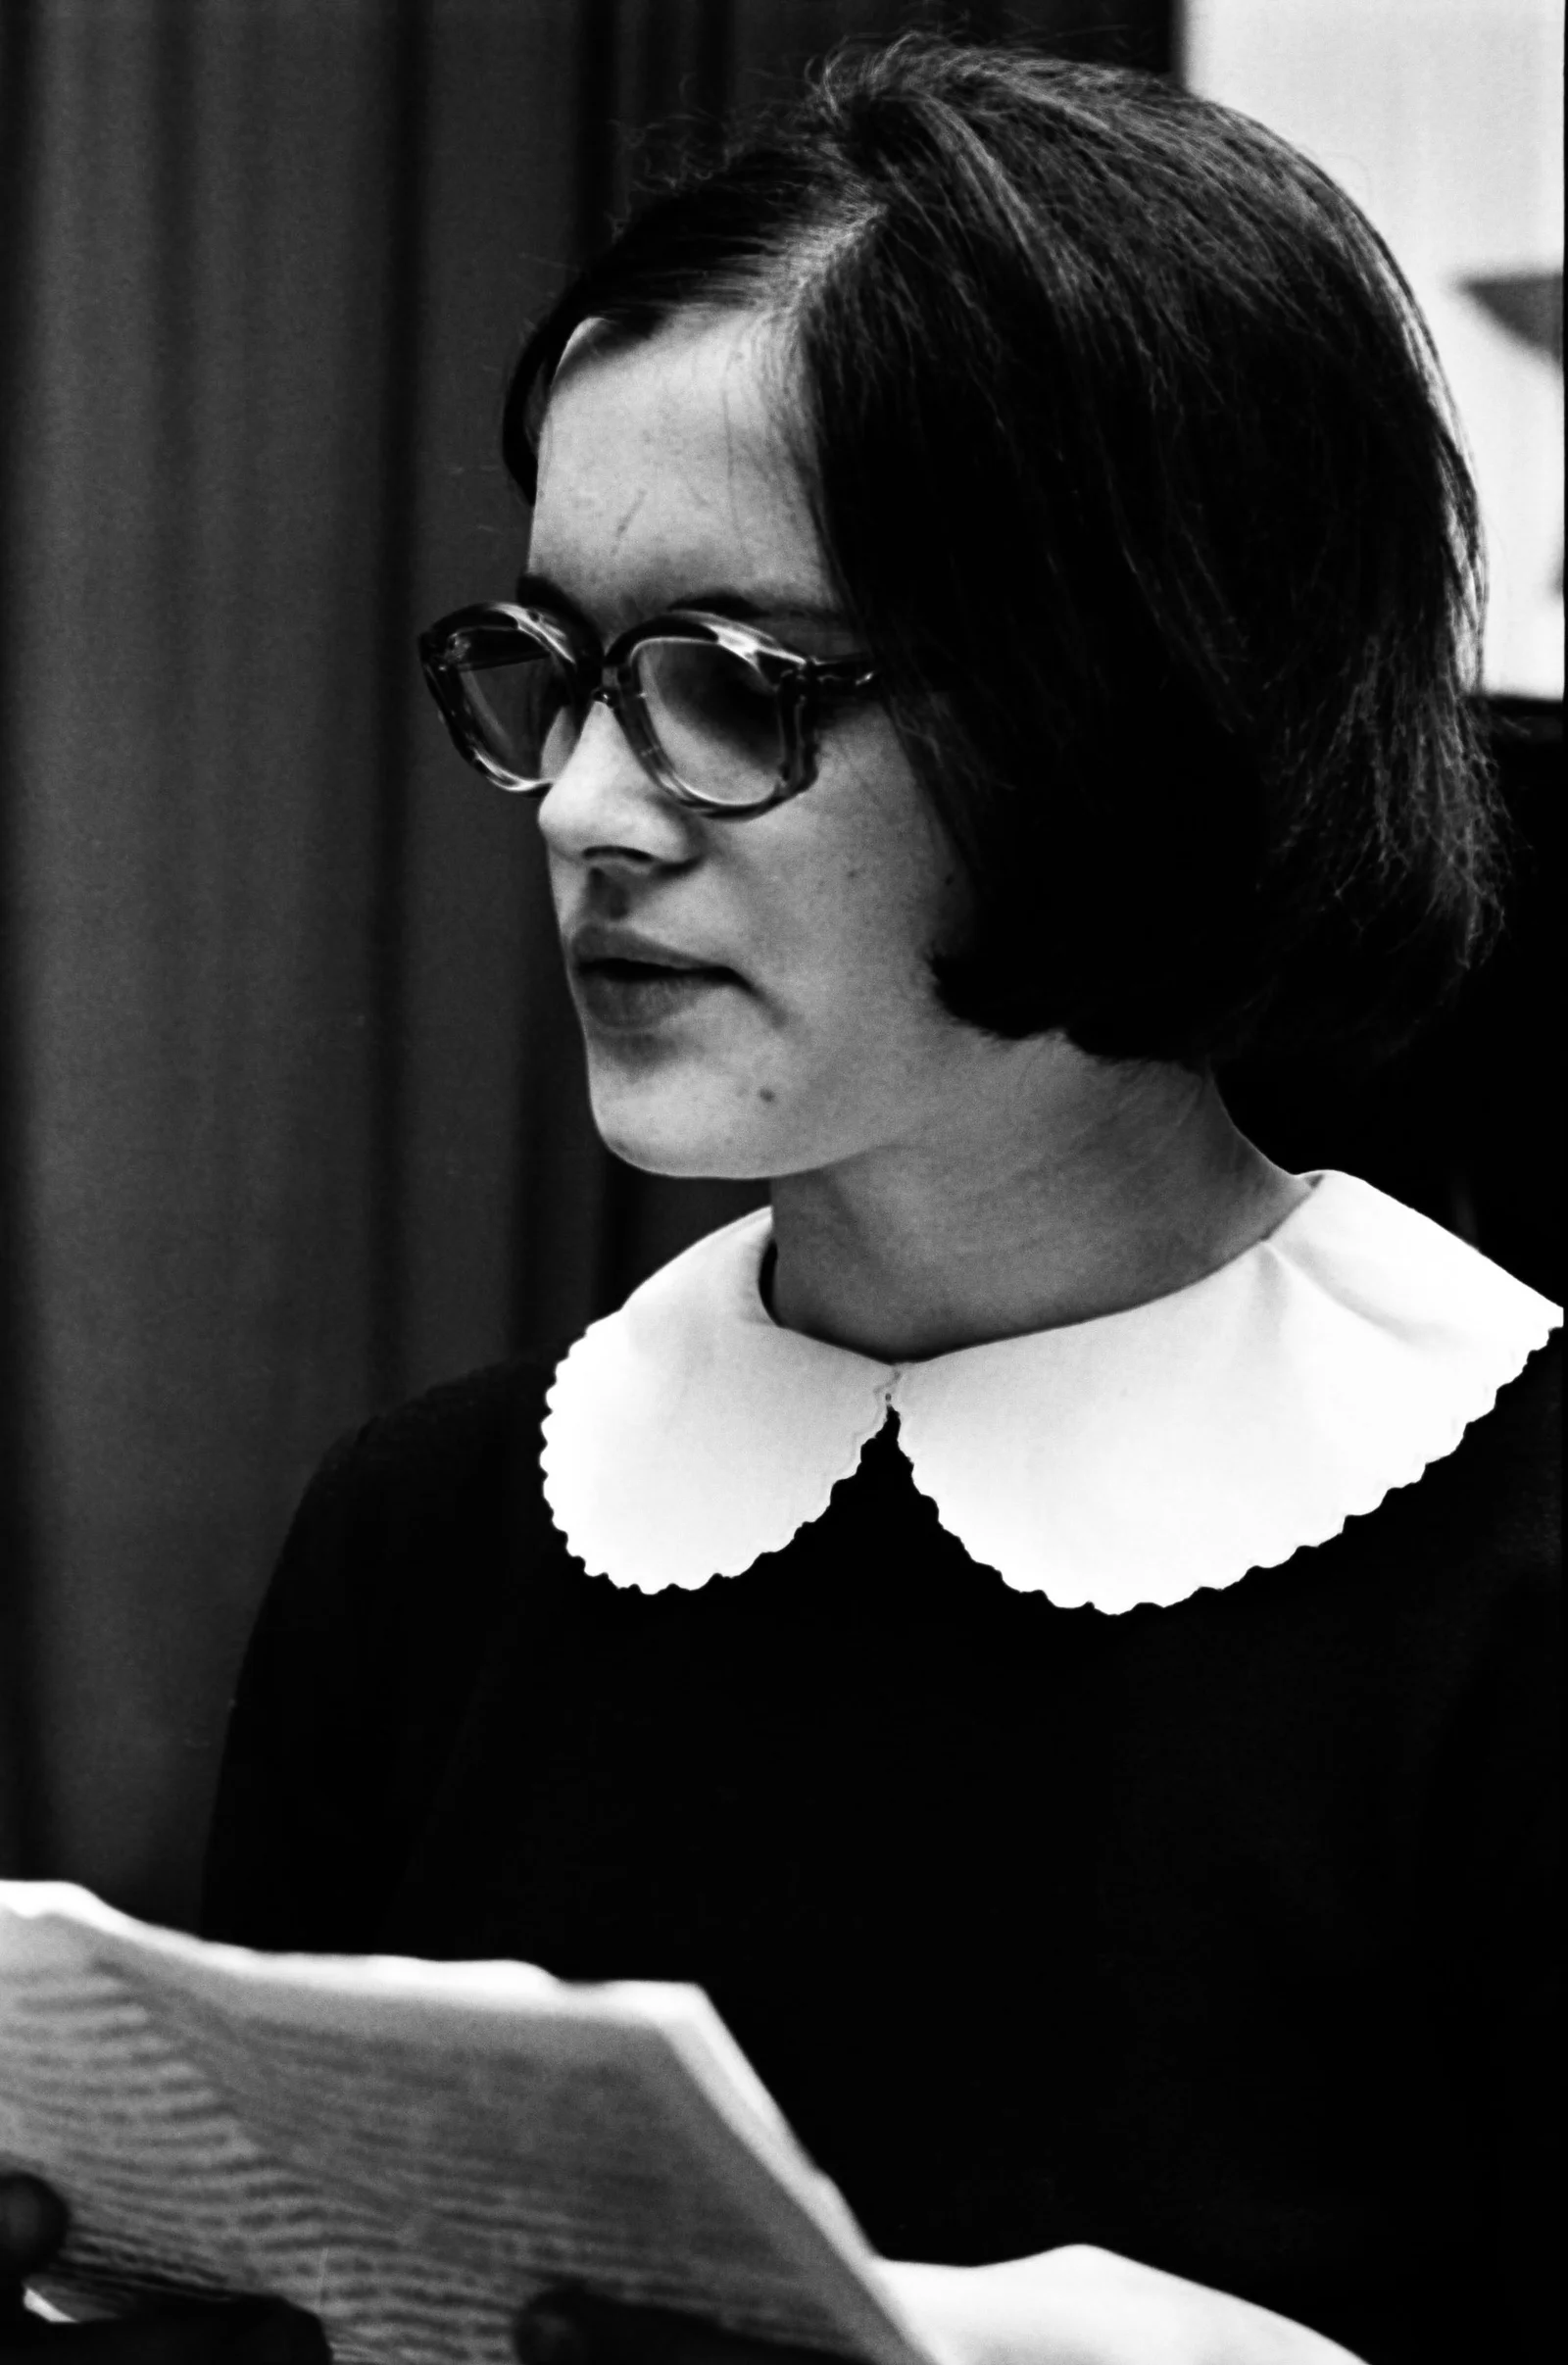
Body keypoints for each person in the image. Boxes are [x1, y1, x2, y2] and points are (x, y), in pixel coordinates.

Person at [3, 32, 1557, 2365]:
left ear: (1132, 698)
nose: (577, 810)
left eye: (725, 683)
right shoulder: (424, 1543)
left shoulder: (1504, 1591)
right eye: (552, 669)